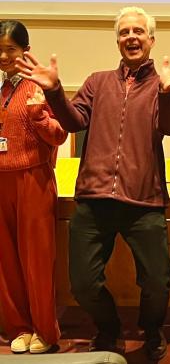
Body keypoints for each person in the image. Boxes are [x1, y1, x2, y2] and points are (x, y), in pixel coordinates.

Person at [16, 7, 170, 361]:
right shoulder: (98, 81)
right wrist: (54, 93)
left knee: (158, 283)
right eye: (124, 32)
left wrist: (167, 92)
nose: (131, 37)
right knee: (81, 282)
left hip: (144, 201)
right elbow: (73, 121)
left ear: (151, 40)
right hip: (94, 198)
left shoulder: (161, 84)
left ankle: (152, 330)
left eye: (138, 32)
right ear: (117, 41)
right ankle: (108, 328)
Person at [0, 20, 67, 354]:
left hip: (33, 180)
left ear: (25, 50)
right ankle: (18, 326)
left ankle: (44, 329)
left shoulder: (39, 84)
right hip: (1, 181)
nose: (3, 56)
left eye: (10, 49)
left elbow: (59, 135)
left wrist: (40, 113)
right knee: (6, 260)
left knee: (38, 259)